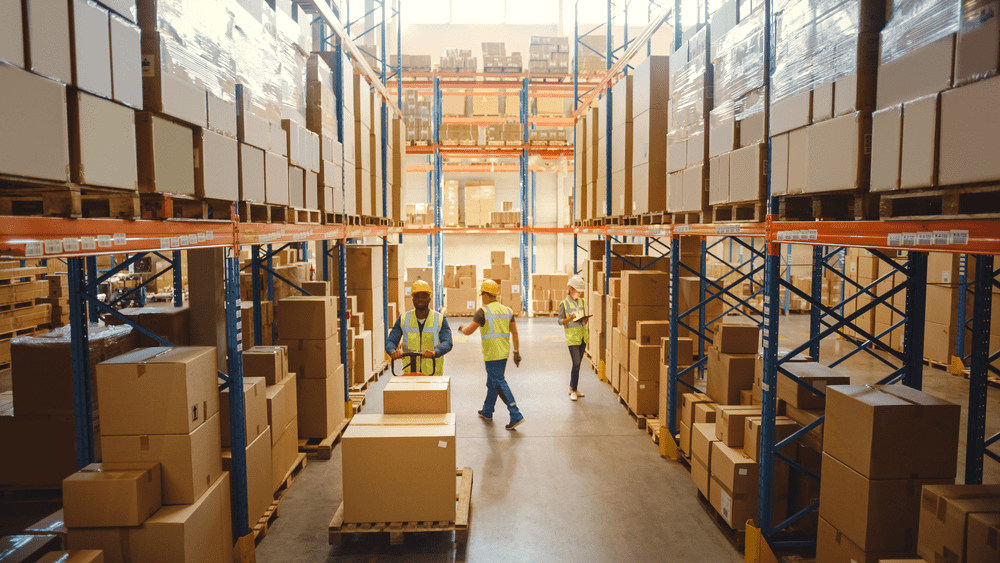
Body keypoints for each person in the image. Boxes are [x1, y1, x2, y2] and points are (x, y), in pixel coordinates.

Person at [457, 280, 525, 430]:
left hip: (491, 354)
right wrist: (516, 351)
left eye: (482, 294)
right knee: (492, 383)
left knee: (499, 382)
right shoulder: (507, 310)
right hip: (503, 353)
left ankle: (516, 414)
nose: (482, 297)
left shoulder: (483, 311)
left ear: (486, 295)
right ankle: (487, 411)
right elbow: (515, 333)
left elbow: (469, 331)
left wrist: (461, 328)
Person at [385, 280, 453, 375]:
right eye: (417, 296)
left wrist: (435, 352)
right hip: (410, 373)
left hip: (432, 374)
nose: (420, 299)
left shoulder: (440, 319)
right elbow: (391, 341)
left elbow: (448, 342)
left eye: (423, 296)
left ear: (429, 299)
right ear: (412, 299)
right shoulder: (403, 319)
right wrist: (392, 351)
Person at [558, 275, 589, 401]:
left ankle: (572, 388)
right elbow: (560, 321)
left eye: (581, 292)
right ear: (571, 289)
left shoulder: (582, 302)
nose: (579, 294)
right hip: (572, 338)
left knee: (578, 364)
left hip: (583, 337)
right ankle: (574, 391)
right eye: (577, 291)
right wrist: (570, 318)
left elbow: (583, 319)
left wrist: (585, 319)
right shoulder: (564, 304)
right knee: (576, 363)